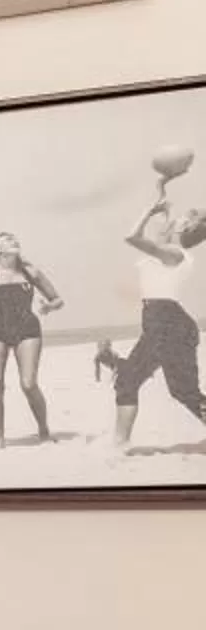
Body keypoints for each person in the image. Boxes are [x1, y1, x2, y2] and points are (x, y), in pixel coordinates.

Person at [112, 143, 206, 449]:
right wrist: (164, 181)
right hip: (159, 319)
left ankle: (120, 443)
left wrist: (148, 212)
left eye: (185, 217)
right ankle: (120, 443)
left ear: (188, 228)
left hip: (168, 321)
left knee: (183, 391)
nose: (177, 216)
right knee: (128, 380)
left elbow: (131, 237)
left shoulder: (173, 254)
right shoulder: (170, 247)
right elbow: (163, 204)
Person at [0, 233, 63, 446]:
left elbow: (57, 299)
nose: (14, 241)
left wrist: (49, 306)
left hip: (27, 327)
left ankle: (43, 429)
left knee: (28, 384)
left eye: (15, 240)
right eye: (8, 240)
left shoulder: (30, 272)